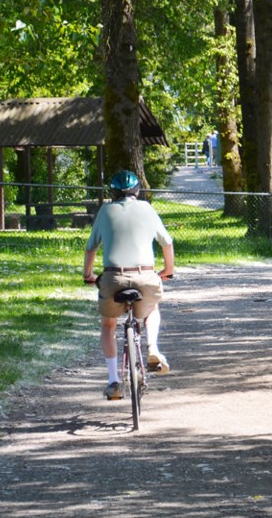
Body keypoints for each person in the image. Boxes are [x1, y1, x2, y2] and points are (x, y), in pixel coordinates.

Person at [83, 170, 175, 400]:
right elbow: (167, 243)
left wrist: (88, 274)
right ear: (137, 191)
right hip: (145, 276)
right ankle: (152, 348)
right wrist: (167, 271)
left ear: (113, 193)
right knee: (152, 308)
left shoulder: (105, 210)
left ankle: (114, 380)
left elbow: (91, 247)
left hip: (113, 277)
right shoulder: (147, 209)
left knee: (108, 325)